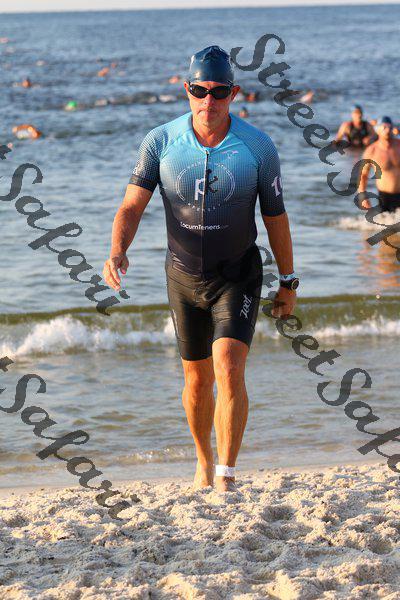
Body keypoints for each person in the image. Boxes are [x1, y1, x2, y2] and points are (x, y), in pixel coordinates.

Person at [103, 45, 298, 494]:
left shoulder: (257, 147)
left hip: (238, 274)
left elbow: (276, 218)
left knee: (228, 365)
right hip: (183, 276)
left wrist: (288, 281)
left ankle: (226, 474)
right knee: (196, 379)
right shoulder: (161, 142)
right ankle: (204, 460)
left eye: (219, 91)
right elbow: (131, 205)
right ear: (186, 90)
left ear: (234, 93)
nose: (209, 100)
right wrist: (117, 250)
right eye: (199, 90)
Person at [358, 116, 400, 213]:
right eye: (384, 127)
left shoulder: (399, 146)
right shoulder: (372, 151)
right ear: (377, 130)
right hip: (385, 198)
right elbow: (363, 175)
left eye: (389, 127)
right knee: (386, 222)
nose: (387, 130)